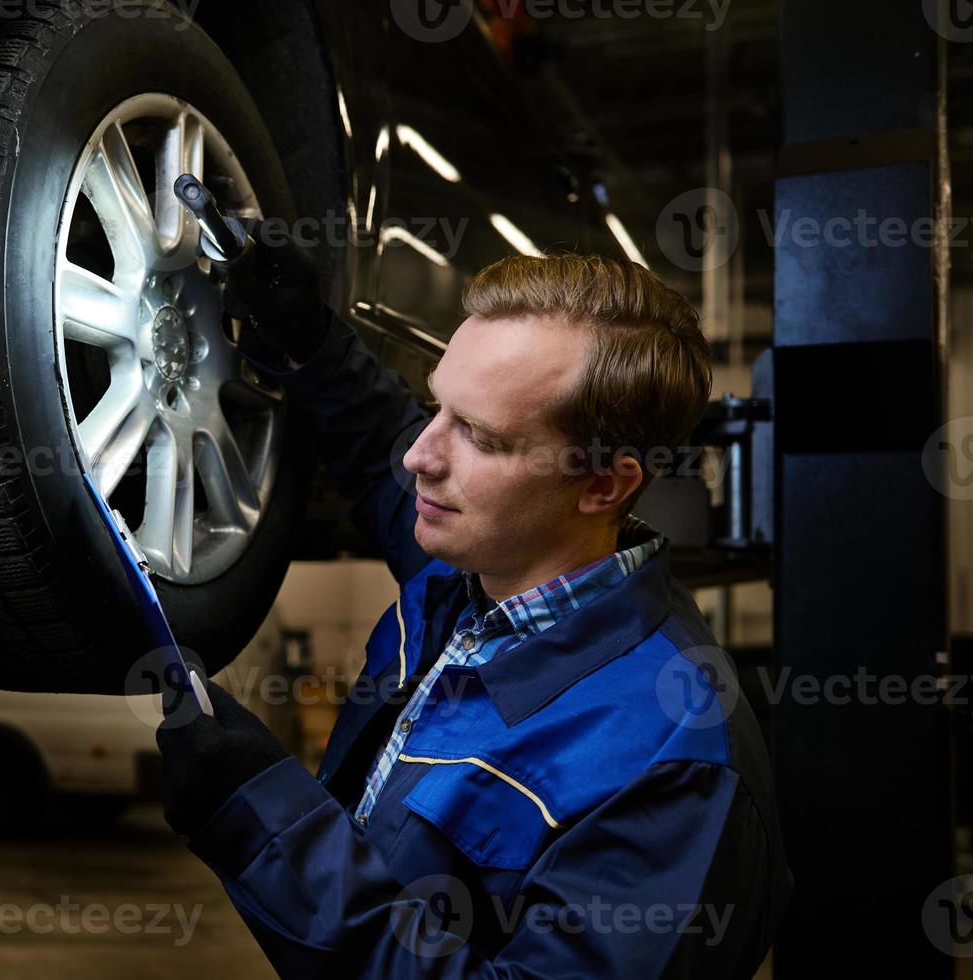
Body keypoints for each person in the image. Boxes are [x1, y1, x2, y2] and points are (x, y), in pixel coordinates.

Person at [154, 241, 793, 978]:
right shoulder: (479, 561)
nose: (419, 456)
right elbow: (379, 445)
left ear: (603, 486)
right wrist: (312, 346)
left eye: (480, 438)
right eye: (437, 407)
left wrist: (261, 821)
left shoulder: (674, 762)